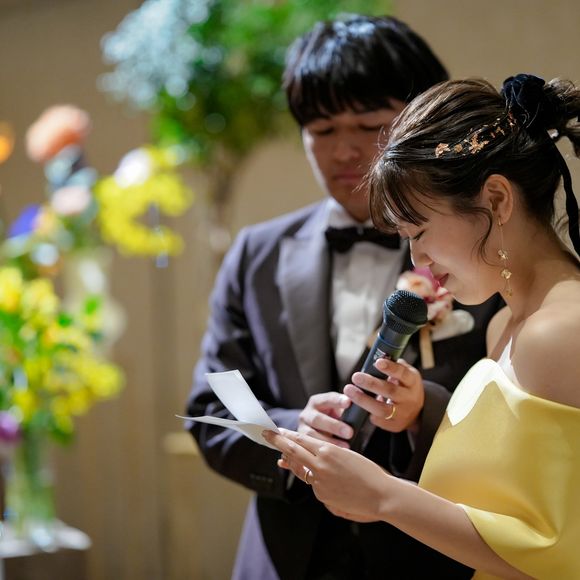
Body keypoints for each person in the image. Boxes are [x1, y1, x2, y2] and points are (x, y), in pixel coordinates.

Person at [186, 15, 502, 580]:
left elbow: (517, 411)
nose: (345, 150)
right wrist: (288, 431)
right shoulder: (257, 253)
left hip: (433, 557)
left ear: (421, 120)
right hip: (285, 559)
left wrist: (421, 414)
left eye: (371, 124)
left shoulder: (480, 244)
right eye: (322, 129)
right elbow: (212, 410)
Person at [264, 73, 580, 579]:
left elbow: (558, 559)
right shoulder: (505, 324)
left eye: (420, 231)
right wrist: (414, 415)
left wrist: (384, 497)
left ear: (497, 200)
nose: (418, 260)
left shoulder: (561, 330)